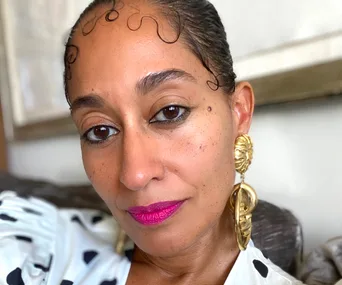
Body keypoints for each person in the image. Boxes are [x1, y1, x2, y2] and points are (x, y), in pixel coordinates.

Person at [0, 0, 304, 284]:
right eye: (100, 131)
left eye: (169, 112)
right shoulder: (36, 245)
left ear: (238, 112)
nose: (134, 175)